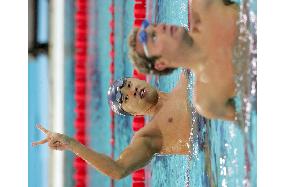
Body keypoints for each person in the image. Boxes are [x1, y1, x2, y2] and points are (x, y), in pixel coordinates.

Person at [32, 72, 194, 180]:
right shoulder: (150, 136)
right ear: (134, 114)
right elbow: (118, 169)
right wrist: (71, 144)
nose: (133, 91)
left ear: (138, 79)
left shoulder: (185, 77)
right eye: (126, 99)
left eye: (129, 85)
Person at [128, 0, 239, 121]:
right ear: (161, 64)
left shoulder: (204, 5)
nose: (161, 27)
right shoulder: (207, 100)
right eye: (154, 37)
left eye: (154, 26)